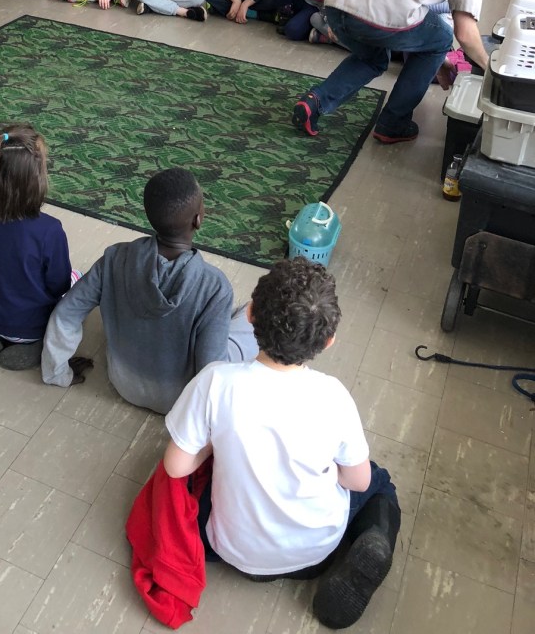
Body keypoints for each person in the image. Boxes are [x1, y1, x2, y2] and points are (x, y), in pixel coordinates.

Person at [164, 257, 401, 629]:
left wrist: (212, 443)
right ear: (328, 341)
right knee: (379, 481)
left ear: (250, 314)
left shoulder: (215, 381)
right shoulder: (334, 396)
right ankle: (372, 539)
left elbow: (175, 466)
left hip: (229, 551)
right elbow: (358, 482)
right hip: (314, 557)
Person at [42, 168, 258, 413]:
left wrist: (57, 372)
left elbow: (66, 313)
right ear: (198, 219)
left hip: (124, 384)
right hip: (181, 400)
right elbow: (211, 369)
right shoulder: (215, 287)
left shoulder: (114, 259)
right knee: (254, 315)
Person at [293, 0, 494, 144]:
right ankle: (393, 124)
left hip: (335, 3)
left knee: (373, 58)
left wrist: (433, 58)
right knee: (442, 38)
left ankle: (314, 103)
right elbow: (465, 34)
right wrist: (491, 70)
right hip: (377, 14)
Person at [0, 124, 74, 370]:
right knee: (79, 286)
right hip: (31, 326)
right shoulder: (49, 230)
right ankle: (36, 347)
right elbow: (60, 285)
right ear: (36, 180)